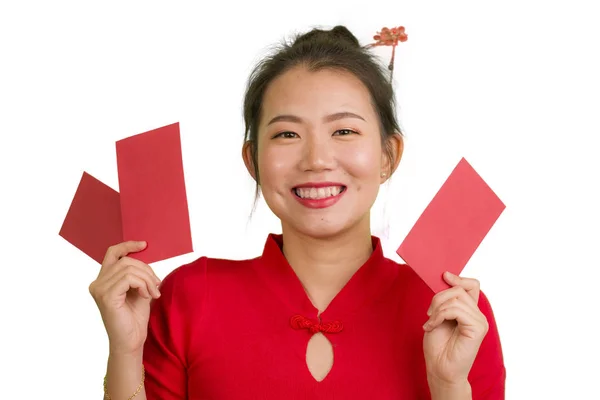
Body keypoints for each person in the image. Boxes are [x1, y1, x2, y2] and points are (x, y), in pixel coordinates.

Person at [89, 25, 506, 399]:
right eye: (287, 133)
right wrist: (124, 349)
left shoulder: (451, 311)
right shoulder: (187, 297)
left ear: (388, 155)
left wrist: (448, 385)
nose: (317, 159)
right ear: (253, 160)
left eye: (344, 131)